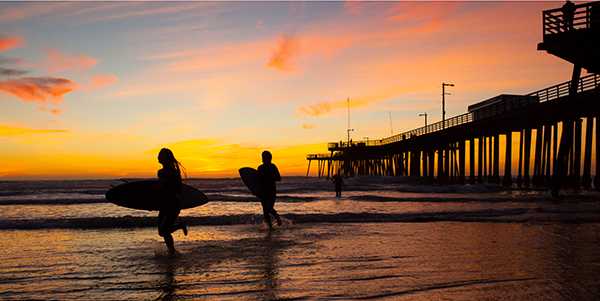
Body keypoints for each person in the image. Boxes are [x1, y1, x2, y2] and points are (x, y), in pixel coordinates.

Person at [157, 148, 187, 254]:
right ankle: (180, 225)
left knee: (165, 230)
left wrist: (166, 188)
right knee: (161, 231)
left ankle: (172, 252)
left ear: (167, 158)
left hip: (173, 204)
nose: (158, 157)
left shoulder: (173, 172)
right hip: (164, 204)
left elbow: (178, 189)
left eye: (161, 155)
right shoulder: (160, 172)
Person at [257, 150, 282, 230]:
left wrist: (267, 176)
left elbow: (278, 178)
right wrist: (255, 191)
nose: (264, 159)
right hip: (262, 191)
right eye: (263, 157)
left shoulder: (273, 167)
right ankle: (270, 226)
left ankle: (277, 217)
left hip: (271, 190)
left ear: (270, 158)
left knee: (269, 208)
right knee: (265, 210)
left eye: (266, 157)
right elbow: (256, 181)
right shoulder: (260, 168)